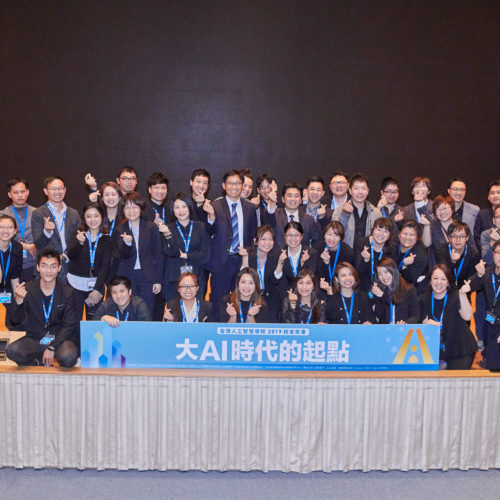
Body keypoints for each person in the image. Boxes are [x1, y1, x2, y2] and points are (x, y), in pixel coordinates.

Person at [6, 248, 79, 367]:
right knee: (12, 350)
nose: (48, 271)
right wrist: (18, 302)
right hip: (36, 338)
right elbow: (15, 320)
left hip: (59, 339)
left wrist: (52, 347)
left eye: (53, 266)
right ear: (38, 268)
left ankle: (55, 360)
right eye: (44, 266)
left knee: (69, 356)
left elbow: (69, 325)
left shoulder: (67, 292)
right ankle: (37, 364)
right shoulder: (28, 289)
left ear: (59, 268)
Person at [205, 170, 258, 319]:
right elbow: (208, 231)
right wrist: (210, 217)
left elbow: (253, 235)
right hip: (221, 261)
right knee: (218, 301)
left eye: (238, 183)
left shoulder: (250, 208)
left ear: (242, 185)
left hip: (242, 261)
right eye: (230, 183)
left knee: (242, 300)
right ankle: (217, 330)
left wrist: (248, 253)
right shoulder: (214, 206)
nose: (234, 187)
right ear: (224, 185)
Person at [113, 192, 164, 318]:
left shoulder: (151, 227)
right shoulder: (119, 229)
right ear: (123, 210)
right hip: (128, 276)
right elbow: (122, 255)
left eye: (135, 207)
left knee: (147, 311)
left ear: (141, 208)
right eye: (127, 207)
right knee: (129, 312)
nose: (131, 211)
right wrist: (127, 244)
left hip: (148, 276)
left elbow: (158, 254)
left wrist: (158, 280)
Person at [420, 265, 477, 370]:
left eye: (443, 279)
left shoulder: (456, 296)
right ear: (430, 281)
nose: (439, 282)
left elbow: (468, 316)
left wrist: (462, 294)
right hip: (435, 350)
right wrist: (426, 323)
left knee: (454, 379)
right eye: (435, 278)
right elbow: (420, 320)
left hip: (460, 349)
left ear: (448, 282)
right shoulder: (424, 299)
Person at [66, 203, 112, 322]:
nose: (92, 220)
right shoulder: (78, 234)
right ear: (84, 219)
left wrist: (96, 289)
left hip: (96, 284)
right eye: (88, 216)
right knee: (75, 319)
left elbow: (105, 266)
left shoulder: (107, 239)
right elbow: (70, 255)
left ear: (102, 217)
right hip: (75, 283)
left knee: (95, 319)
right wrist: (79, 243)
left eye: (96, 216)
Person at [160, 193, 210, 300]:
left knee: (196, 308)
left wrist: (186, 255)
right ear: (172, 210)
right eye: (177, 207)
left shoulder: (200, 226)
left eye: (184, 206)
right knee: (174, 309)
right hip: (174, 278)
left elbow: (205, 255)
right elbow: (170, 252)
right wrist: (167, 235)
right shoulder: (167, 228)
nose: (181, 210)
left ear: (189, 207)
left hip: (196, 277)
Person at [31, 176, 81, 282]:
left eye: (60, 188)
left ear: (65, 190)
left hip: (71, 267)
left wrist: (66, 255)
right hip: (49, 269)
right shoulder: (38, 213)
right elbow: (38, 244)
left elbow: (77, 241)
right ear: (46, 191)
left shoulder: (74, 213)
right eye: (53, 189)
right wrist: (47, 232)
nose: (57, 192)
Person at [240, 225, 282, 322]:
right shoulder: (247, 253)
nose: (267, 243)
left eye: (270, 239)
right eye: (263, 239)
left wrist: (281, 263)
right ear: (255, 241)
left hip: (270, 297)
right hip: (250, 296)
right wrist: (245, 258)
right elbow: (243, 277)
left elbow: (275, 280)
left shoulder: (277, 255)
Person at [469, 240, 500, 370]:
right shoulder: (487, 273)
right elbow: (470, 286)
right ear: (493, 254)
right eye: (498, 252)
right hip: (491, 324)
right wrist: (478, 275)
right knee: (491, 365)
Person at [262, 182, 321, 248]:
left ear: (301, 200)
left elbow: (317, 241)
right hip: (278, 254)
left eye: (296, 196)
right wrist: (271, 202)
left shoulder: (309, 219)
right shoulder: (275, 215)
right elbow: (268, 219)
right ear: (283, 199)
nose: (293, 199)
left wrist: (310, 252)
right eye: (289, 196)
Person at [331, 174, 382, 248]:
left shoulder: (376, 213)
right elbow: (335, 233)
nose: (360, 192)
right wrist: (345, 214)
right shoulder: (339, 211)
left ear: (367, 191)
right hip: (346, 253)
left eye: (363, 188)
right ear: (350, 191)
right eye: (356, 188)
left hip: (368, 253)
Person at [1, 177, 37, 282]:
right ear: (9, 194)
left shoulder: (37, 213)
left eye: (22, 191)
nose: (20, 195)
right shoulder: (3, 215)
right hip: (10, 264)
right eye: (15, 192)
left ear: (27, 192)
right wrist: (27, 246)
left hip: (32, 265)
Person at [274, 221, 317, 298]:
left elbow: (310, 278)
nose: (293, 238)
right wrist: (280, 262)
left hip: (306, 294)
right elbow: (277, 280)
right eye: (290, 235)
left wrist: (302, 263)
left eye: (296, 235)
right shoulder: (279, 254)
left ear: (301, 237)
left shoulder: (311, 253)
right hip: (285, 295)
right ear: (284, 236)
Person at [371, 258, 420, 324]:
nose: (383, 277)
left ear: (393, 270)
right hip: (386, 329)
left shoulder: (408, 289)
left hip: (402, 328)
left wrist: (404, 323)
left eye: (386, 272)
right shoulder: (379, 289)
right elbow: (379, 315)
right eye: (379, 274)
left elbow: (415, 316)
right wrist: (380, 296)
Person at [435, 221, 479, 289]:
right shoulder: (441, 250)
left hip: (464, 289)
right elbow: (443, 275)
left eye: (461, 236)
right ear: (449, 238)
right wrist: (452, 262)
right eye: (454, 236)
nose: (458, 239)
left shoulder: (473, 253)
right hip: (445, 288)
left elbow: (471, 278)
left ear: (467, 238)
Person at [354, 217, 393, 293]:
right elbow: (357, 274)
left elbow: (392, 275)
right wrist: (365, 261)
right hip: (362, 290)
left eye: (385, 231)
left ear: (389, 235)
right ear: (373, 230)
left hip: (382, 290)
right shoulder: (361, 244)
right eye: (378, 230)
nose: (381, 234)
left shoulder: (391, 249)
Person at [314, 221, 354, 294]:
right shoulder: (317, 249)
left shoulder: (347, 251)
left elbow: (348, 276)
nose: (332, 238)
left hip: (341, 289)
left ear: (341, 238)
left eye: (336, 235)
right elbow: (317, 276)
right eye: (329, 234)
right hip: (321, 288)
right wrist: (324, 263)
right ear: (324, 235)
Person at [391, 219, 429, 294]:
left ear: (417, 237)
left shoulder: (421, 256)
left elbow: (411, 281)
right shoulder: (392, 246)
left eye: (412, 235)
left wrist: (405, 266)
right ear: (399, 234)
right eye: (405, 234)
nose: (407, 238)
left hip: (411, 293)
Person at [473, 180, 500, 250]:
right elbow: (477, 237)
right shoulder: (482, 215)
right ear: (488, 197)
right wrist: (485, 249)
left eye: (498, 192)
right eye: (492, 193)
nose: (495, 195)